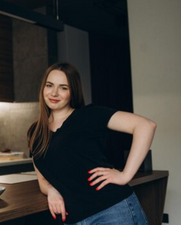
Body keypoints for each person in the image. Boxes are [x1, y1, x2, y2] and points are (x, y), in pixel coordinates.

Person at [27, 62, 156, 225]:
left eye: (63, 88)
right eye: (49, 85)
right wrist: (52, 191)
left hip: (113, 211)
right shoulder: (35, 132)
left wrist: (125, 175)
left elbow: (145, 126)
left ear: (72, 92)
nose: (54, 93)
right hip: (74, 219)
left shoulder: (89, 115)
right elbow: (43, 180)